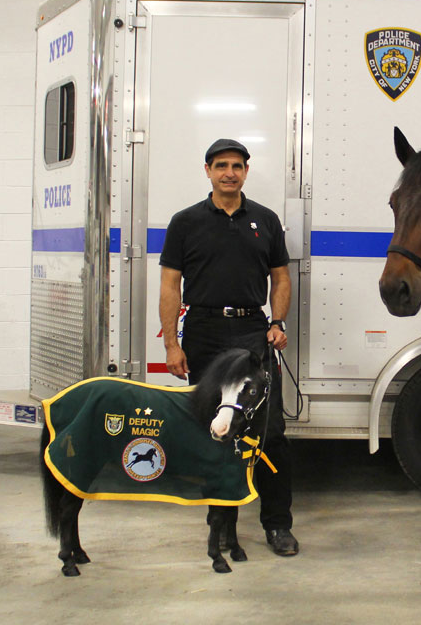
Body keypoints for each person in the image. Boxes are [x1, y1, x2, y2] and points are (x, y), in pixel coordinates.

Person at [158, 138, 298, 556]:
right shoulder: (185, 223)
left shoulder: (266, 221)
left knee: (270, 433)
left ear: (246, 172)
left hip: (252, 334)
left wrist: (276, 322)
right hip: (203, 333)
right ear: (208, 171)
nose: (229, 172)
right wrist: (172, 344)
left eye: (237, 165)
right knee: (215, 434)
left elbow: (281, 278)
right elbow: (169, 285)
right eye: (221, 165)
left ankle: (278, 527)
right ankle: (221, 528)